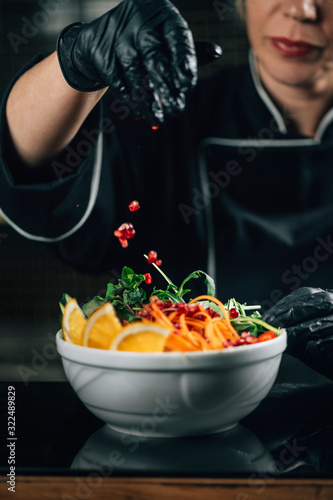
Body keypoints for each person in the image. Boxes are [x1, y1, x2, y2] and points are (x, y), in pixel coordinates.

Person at [2, 0, 333, 377]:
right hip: (183, 418)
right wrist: (74, 66)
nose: (302, 10)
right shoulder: (163, 114)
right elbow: (34, 173)